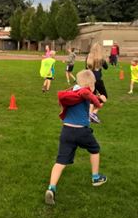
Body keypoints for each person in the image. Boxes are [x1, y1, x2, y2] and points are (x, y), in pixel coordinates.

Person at [44, 69, 108, 205]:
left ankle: (51, 188)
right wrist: (101, 100)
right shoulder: (86, 94)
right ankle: (96, 177)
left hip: (66, 131)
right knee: (95, 149)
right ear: (91, 85)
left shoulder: (72, 92)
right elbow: (96, 105)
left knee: (60, 161)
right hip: (82, 131)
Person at [86, 43, 108, 123]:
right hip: (98, 80)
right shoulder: (101, 58)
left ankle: (89, 115)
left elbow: (86, 67)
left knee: (92, 97)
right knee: (105, 96)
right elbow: (106, 67)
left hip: (90, 79)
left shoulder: (89, 56)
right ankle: (94, 113)